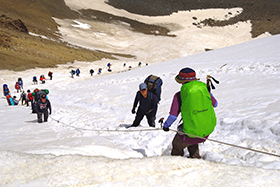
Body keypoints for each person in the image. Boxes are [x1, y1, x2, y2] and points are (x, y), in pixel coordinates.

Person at [162, 68, 218, 159]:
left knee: (177, 144)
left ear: (181, 82)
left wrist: (166, 126)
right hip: (206, 132)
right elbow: (215, 104)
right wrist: (207, 94)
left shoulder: (179, 95)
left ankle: (175, 162)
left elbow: (173, 116)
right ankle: (195, 158)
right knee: (192, 136)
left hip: (190, 133)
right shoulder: (204, 90)